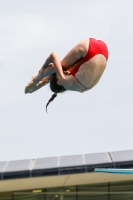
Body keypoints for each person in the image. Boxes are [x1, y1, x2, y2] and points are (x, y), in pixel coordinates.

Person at [25, 38, 109, 111]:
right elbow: (53, 55)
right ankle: (36, 81)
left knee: (63, 68)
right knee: (61, 66)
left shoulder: (81, 89)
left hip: (105, 53)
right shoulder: (64, 81)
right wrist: (41, 72)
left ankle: (32, 86)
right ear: (58, 82)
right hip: (90, 48)